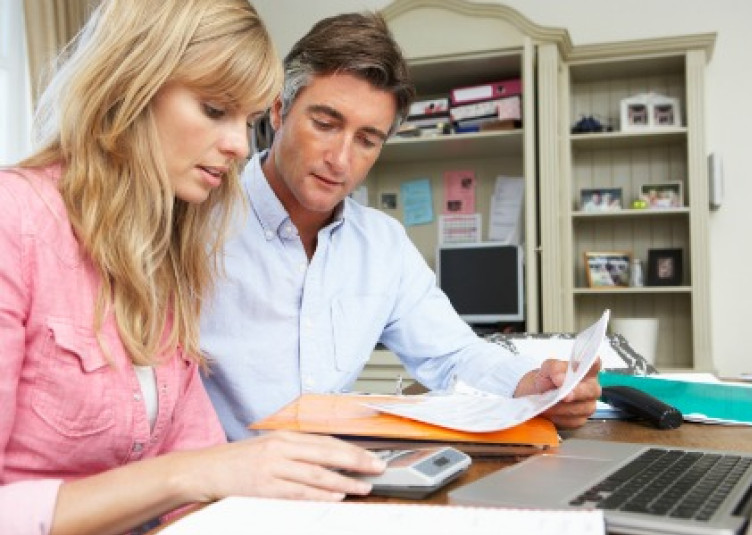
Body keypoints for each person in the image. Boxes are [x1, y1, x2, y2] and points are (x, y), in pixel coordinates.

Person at [0, 2, 387, 534]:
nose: (236, 145)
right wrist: (186, 475)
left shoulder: (165, 257)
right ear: (131, 84)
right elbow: (198, 468)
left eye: (246, 121)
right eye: (213, 109)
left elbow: (199, 470)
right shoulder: (13, 221)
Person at [200, 11, 602, 442]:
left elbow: (453, 354)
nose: (340, 159)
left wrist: (533, 387)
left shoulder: (382, 243)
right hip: (217, 491)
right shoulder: (196, 220)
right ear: (279, 111)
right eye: (325, 124)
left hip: (332, 480)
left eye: (367, 140)